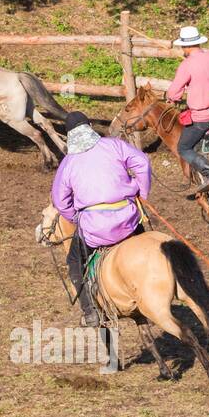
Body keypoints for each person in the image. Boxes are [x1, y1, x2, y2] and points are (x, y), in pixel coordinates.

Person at [50, 112, 152, 326]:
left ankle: (90, 311)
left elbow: (60, 201)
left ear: (69, 136)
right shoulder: (114, 145)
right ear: (89, 126)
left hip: (95, 229)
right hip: (128, 219)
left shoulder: (68, 162)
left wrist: (76, 218)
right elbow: (142, 163)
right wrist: (142, 193)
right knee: (148, 244)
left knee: (74, 261)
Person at [165, 26, 209, 197]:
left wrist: (172, 98)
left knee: (184, 147)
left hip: (204, 116)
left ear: (186, 47)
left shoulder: (186, 65)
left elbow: (174, 92)